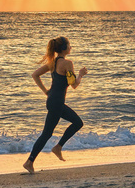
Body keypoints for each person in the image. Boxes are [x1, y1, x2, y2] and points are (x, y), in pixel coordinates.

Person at [23, 36, 88, 174]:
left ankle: (32, 160)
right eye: (69, 45)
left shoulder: (53, 63)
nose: (71, 47)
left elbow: (35, 75)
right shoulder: (67, 63)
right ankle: (54, 149)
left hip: (52, 101)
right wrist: (81, 74)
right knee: (77, 123)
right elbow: (74, 85)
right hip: (57, 103)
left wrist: (46, 91)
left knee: (47, 133)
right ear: (64, 48)